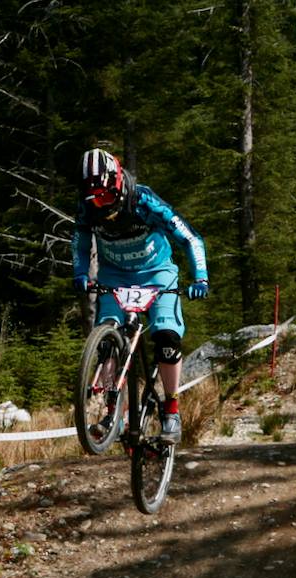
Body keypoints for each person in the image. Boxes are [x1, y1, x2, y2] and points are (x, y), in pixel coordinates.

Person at [72, 147, 208, 444]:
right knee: (107, 338)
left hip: (157, 273)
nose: (101, 204)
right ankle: (112, 413)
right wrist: (81, 273)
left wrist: (200, 277)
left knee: (167, 337)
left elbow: (190, 238)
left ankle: (171, 411)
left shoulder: (144, 200)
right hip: (114, 275)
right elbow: (80, 241)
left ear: (118, 182)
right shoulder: (87, 207)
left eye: (106, 196)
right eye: (94, 198)